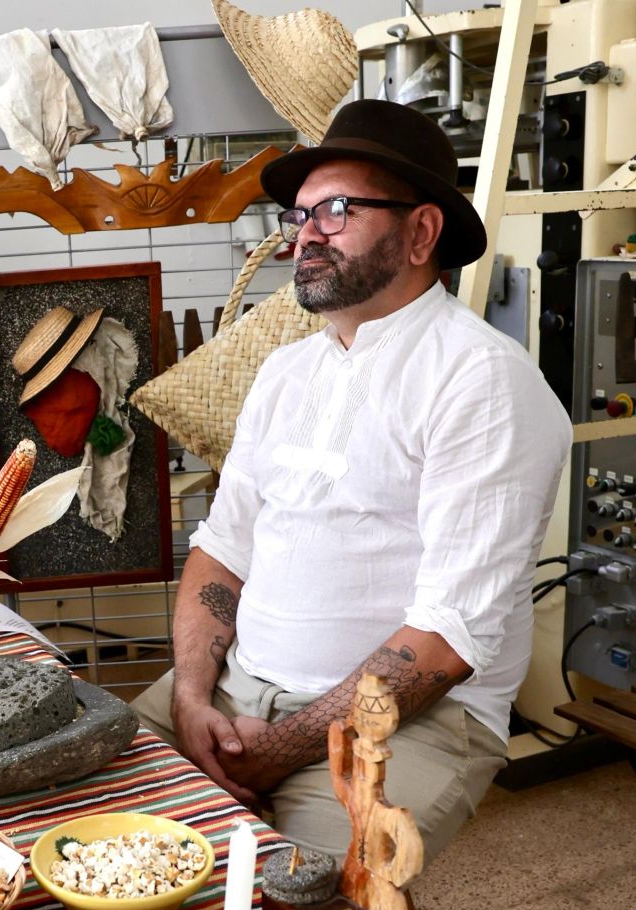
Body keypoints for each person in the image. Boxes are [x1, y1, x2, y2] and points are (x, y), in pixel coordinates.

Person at [133, 100, 570, 863]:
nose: (306, 233)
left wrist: (276, 753)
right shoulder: (285, 371)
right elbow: (222, 550)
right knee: (81, 813)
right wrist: (193, 698)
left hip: (416, 723)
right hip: (235, 690)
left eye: (336, 209)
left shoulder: (481, 380)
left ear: (421, 233)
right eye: (298, 216)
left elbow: (445, 642)